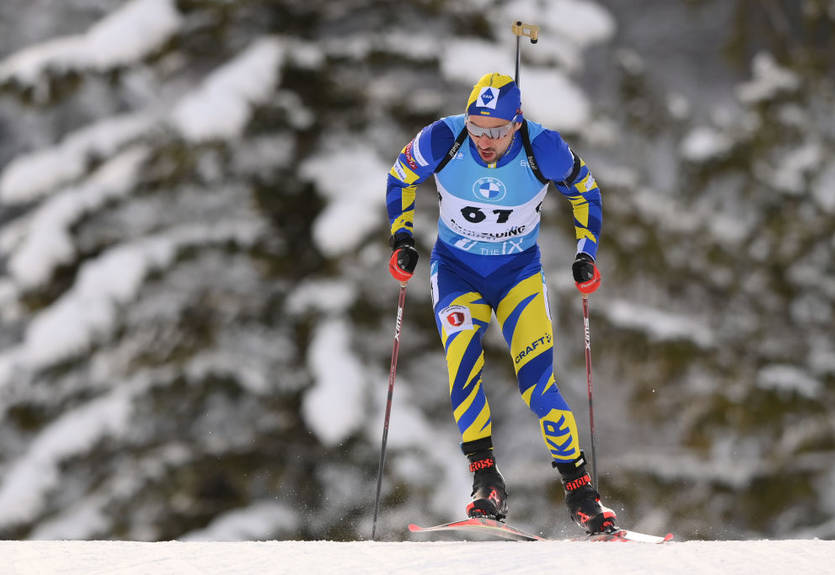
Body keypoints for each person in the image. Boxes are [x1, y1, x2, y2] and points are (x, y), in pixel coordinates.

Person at [385, 72, 615, 534]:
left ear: (517, 123)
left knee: (538, 384)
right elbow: (400, 177)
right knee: (462, 366)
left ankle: (581, 491)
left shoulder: (544, 148)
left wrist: (585, 254)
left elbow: (586, 192)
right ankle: (486, 482)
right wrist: (402, 238)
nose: (484, 140)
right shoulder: (442, 138)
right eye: (476, 127)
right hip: (456, 273)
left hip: (518, 276)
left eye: (496, 130)